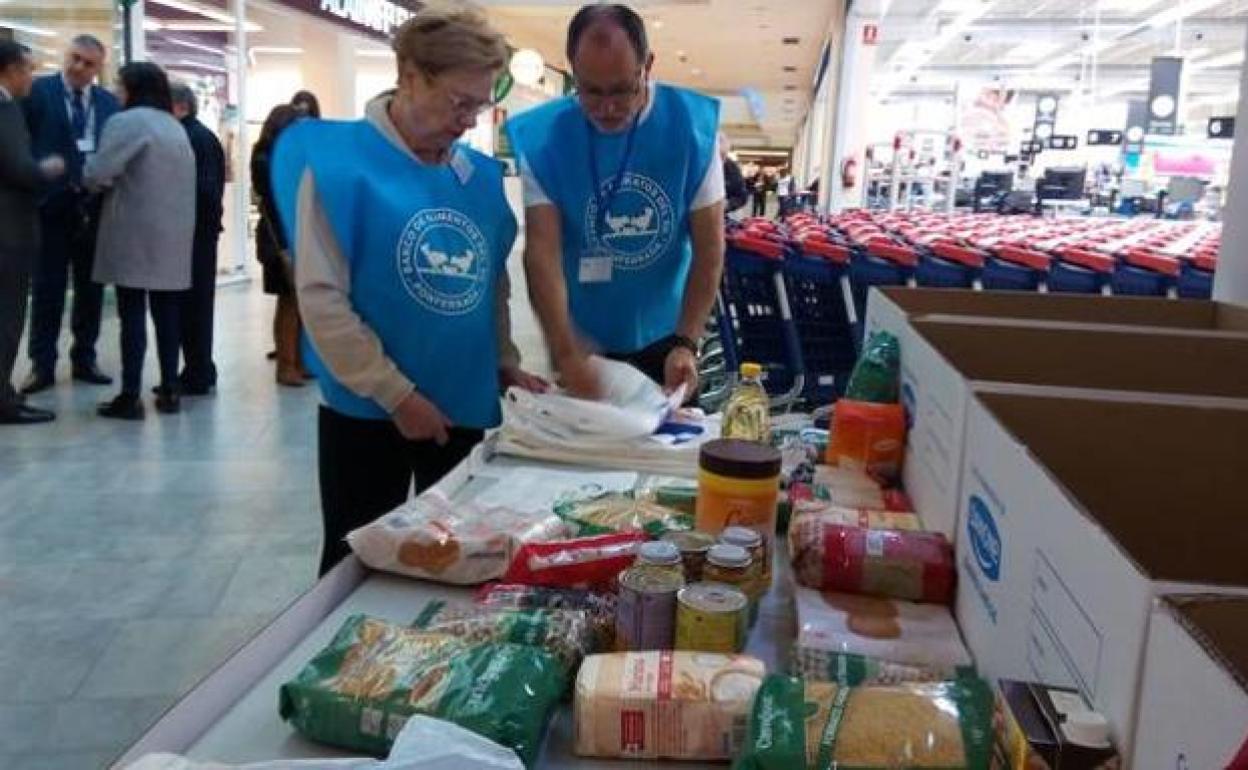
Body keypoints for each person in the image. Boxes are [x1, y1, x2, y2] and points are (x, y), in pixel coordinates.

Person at [269, 7, 546, 576]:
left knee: (455, 554)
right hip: (368, 412)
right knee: (358, 560)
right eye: (457, 102)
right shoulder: (337, 165)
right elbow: (322, 300)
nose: (468, 121)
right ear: (410, 75)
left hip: (461, 400)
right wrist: (396, 394)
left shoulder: (475, 176)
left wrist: (502, 360)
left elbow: (488, 282)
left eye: (479, 105)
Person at [507, 3, 725, 400]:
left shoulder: (691, 129)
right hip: (582, 337)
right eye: (591, 91)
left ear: (648, 66)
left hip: (667, 333)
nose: (607, 107)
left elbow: (709, 250)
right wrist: (565, 348)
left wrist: (687, 341)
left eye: (624, 89)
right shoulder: (545, 138)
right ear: (572, 69)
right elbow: (542, 254)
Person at [85, 61, 195, 419]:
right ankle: (169, 387)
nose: (116, 92)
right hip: (173, 237)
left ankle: (130, 394)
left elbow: (99, 172)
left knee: (132, 314)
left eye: (120, 85)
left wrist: (86, 172)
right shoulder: (174, 127)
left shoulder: (127, 122)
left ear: (133, 87)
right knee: (167, 315)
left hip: (133, 232)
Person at [20, 34, 119, 394]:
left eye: (88, 63)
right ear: (66, 56)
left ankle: (85, 357)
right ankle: (41, 365)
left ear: (98, 69)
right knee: (48, 288)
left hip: (92, 207)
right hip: (50, 207)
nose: (78, 67)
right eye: (74, 58)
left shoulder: (108, 104)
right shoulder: (38, 92)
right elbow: (21, 143)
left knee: (91, 288)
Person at [0, 42, 65, 425]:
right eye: (27, 69)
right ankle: (3, 400)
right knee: (7, 318)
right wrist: (47, 170)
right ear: (9, 70)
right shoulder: (5, 110)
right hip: (9, 233)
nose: (31, 77)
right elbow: (19, 168)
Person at [170, 83, 226, 395]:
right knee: (197, 306)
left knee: (193, 307)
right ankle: (199, 368)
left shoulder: (191, 138)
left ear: (180, 107)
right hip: (202, 234)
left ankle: (198, 370)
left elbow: (203, 191)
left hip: (195, 237)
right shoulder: (202, 136)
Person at [251, 104, 306, 385]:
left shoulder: (278, 157)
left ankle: (295, 360)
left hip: (292, 235)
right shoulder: (265, 159)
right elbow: (272, 205)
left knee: (298, 303)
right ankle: (286, 365)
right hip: (279, 238)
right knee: (288, 302)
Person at [721, 134, 748, 214]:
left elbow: (741, 196)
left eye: (723, 157)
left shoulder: (732, 167)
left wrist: (728, 204)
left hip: (724, 214)